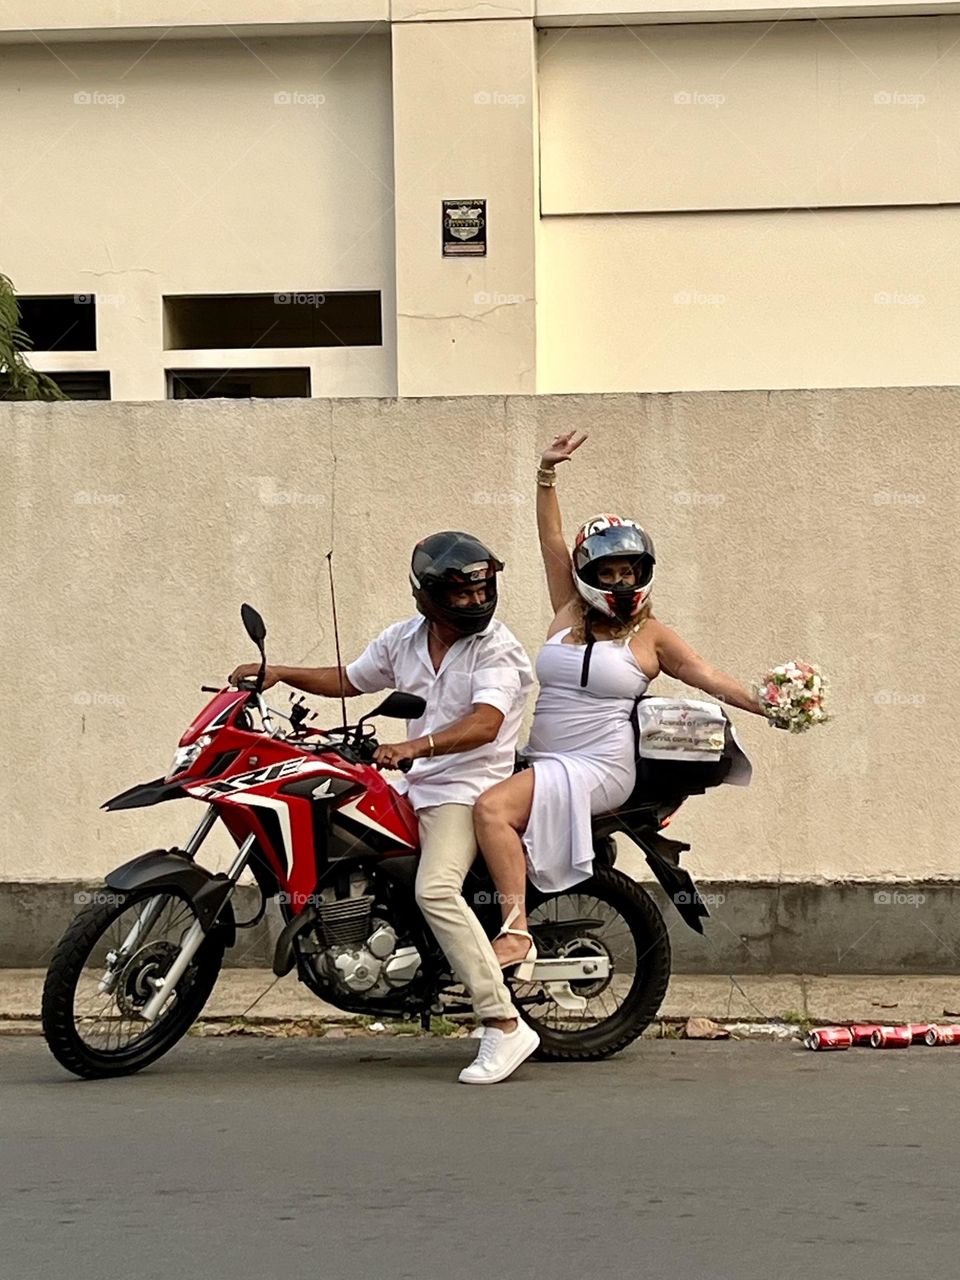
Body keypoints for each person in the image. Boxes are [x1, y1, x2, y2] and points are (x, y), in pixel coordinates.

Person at [229, 531, 539, 1085]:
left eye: (481, 590)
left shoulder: (497, 647)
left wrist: (413, 747)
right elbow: (350, 679)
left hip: (462, 789)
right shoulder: (404, 639)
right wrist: (279, 674)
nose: (474, 602)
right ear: (426, 595)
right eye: (460, 593)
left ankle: (504, 1024)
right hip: (416, 785)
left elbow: (486, 724)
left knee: (435, 888)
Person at [473, 433, 768, 972]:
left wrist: (768, 703)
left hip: (600, 765)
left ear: (641, 573)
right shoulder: (567, 610)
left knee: (492, 809)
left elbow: (706, 675)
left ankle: (515, 932)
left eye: (627, 571)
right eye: (607, 572)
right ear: (589, 576)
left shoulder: (651, 634)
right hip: (544, 757)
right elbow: (552, 539)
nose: (618, 580)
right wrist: (545, 472)